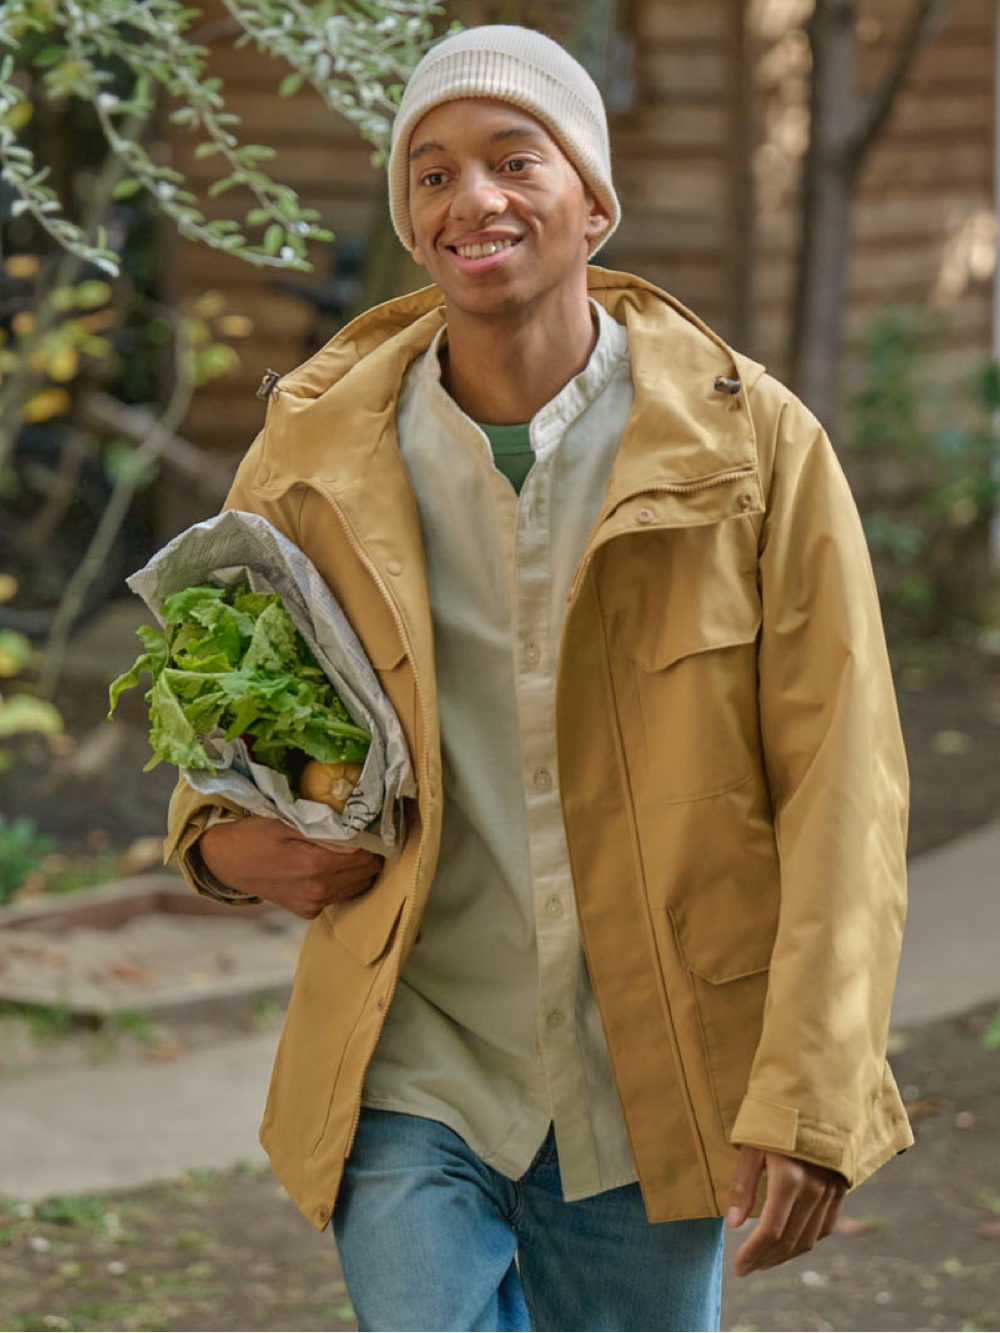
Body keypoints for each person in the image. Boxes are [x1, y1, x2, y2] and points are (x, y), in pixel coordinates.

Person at [165, 24, 913, 1332]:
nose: (475, 199)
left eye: (516, 160)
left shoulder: (755, 452)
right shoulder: (310, 462)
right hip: (416, 1064)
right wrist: (240, 856)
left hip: (648, 1074)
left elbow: (847, 795)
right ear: (412, 216)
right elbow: (218, 756)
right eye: (435, 172)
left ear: (596, 203)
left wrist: (812, 1092)